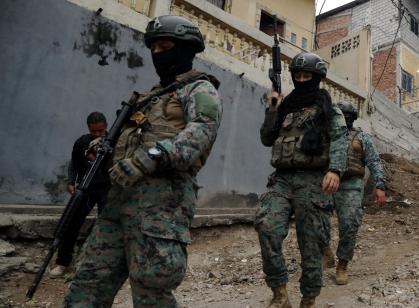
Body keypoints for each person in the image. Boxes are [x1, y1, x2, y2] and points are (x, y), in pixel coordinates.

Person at [63, 15, 222, 307]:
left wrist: (145, 159)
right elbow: (132, 138)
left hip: (161, 208)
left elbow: (199, 136)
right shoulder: (148, 97)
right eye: (154, 48)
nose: (158, 54)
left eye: (166, 46)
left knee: (152, 291)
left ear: (185, 49)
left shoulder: (200, 90)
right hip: (117, 204)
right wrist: (106, 148)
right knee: (87, 283)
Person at [255, 52, 348, 308]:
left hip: (313, 181)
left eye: (308, 76)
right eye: (298, 75)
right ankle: (280, 294)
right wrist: (272, 109)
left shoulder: (328, 108)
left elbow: (340, 139)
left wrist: (335, 170)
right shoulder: (285, 106)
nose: (302, 79)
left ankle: (308, 298)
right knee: (266, 227)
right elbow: (266, 138)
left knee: (312, 244)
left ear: (317, 78)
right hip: (282, 180)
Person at [322, 101, 386, 285]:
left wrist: (380, 186)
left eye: (347, 116)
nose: (344, 119)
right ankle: (326, 252)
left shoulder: (362, 138)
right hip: (326, 183)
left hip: (351, 184)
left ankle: (342, 265)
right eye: (340, 115)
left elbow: (374, 162)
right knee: (316, 221)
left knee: (350, 225)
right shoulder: (326, 136)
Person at [49, 112, 111, 278]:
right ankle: (62, 262)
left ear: (106, 126)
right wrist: (70, 182)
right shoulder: (82, 142)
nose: (98, 134)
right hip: (86, 189)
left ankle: (101, 265)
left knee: (107, 226)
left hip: (107, 189)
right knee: (71, 224)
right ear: (88, 129)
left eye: (101, 130)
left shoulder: (114, 140)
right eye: (94, 131)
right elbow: (74, 164)